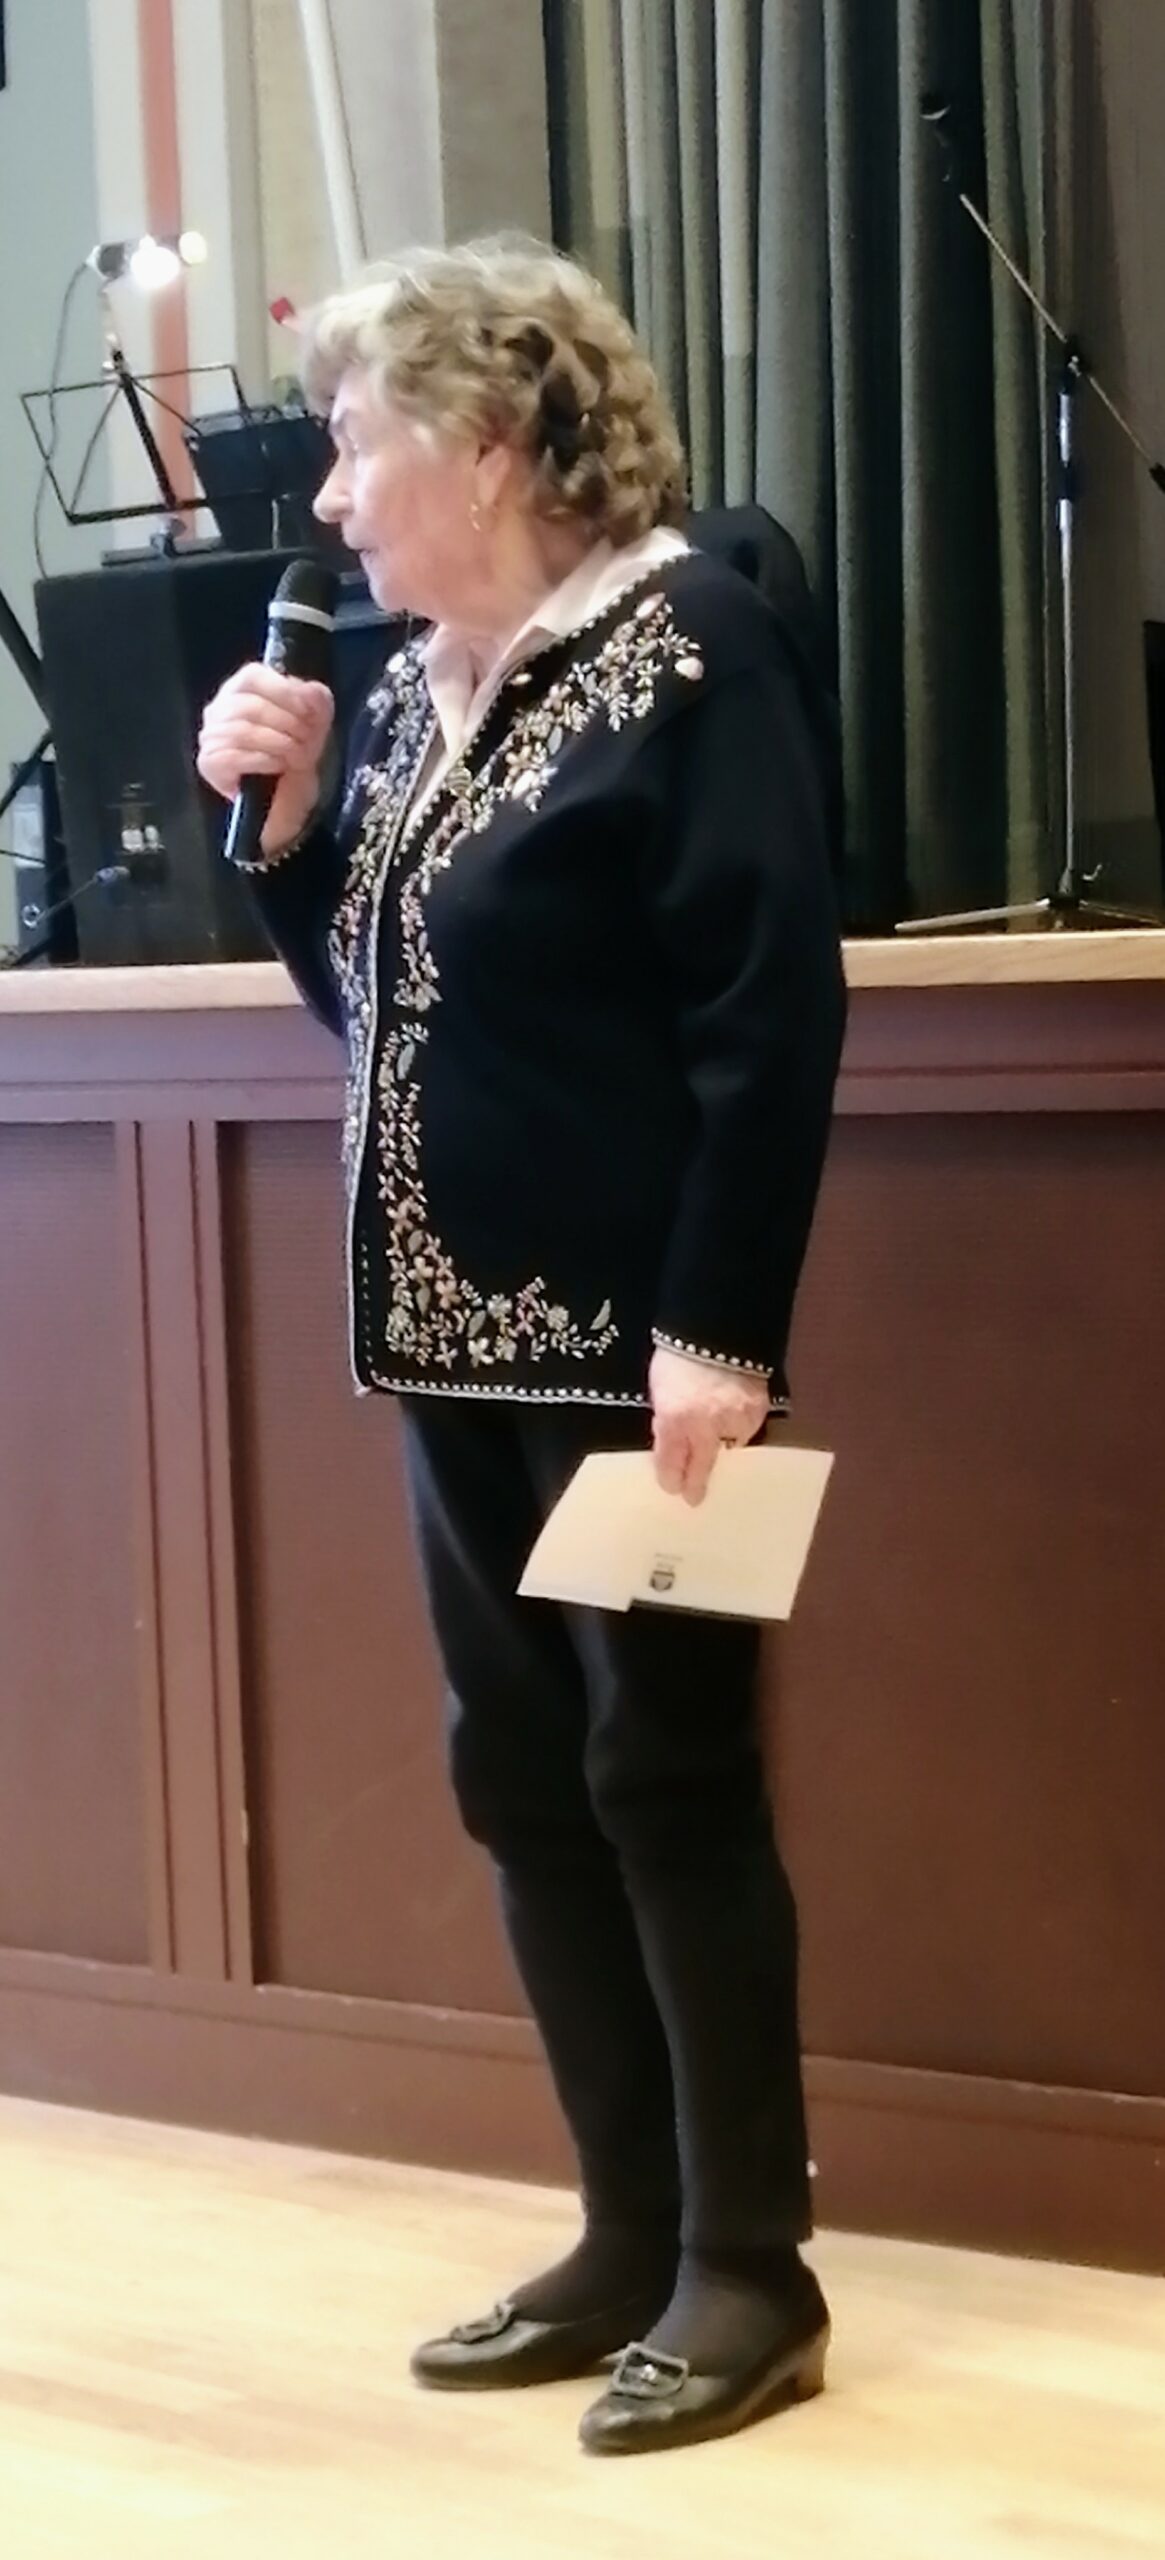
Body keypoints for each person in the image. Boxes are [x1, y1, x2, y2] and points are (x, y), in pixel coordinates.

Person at [197, 235, 847, 2459]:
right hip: (447, 1350)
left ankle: (748, 2268)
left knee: (669, 1777)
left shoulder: (693, 647)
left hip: (633, 1361)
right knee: (520, 1777)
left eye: (356, 441)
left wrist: (721, 1326)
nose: (330, 494)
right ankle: (626, 2229)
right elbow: (388, 1012)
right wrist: (291, 846)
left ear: (487, 444)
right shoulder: (411, 691)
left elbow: (770, 1016)